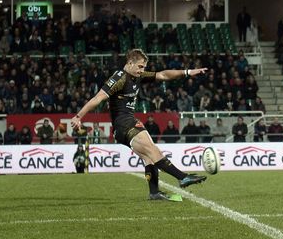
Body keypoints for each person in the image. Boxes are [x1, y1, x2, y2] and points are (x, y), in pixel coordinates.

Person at [71, 49, 208, 201]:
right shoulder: (119, 78)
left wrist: (187, 72)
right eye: (140, 66)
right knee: (152, 149)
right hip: (124, 124)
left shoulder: (137, 75)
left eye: (143, 67)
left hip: (128, 123)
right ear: (130, 63)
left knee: (148, 156)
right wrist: (78, 116)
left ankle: (154, 193)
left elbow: (163, 75)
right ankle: (182, 177)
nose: (142, 70)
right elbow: (98, 98)